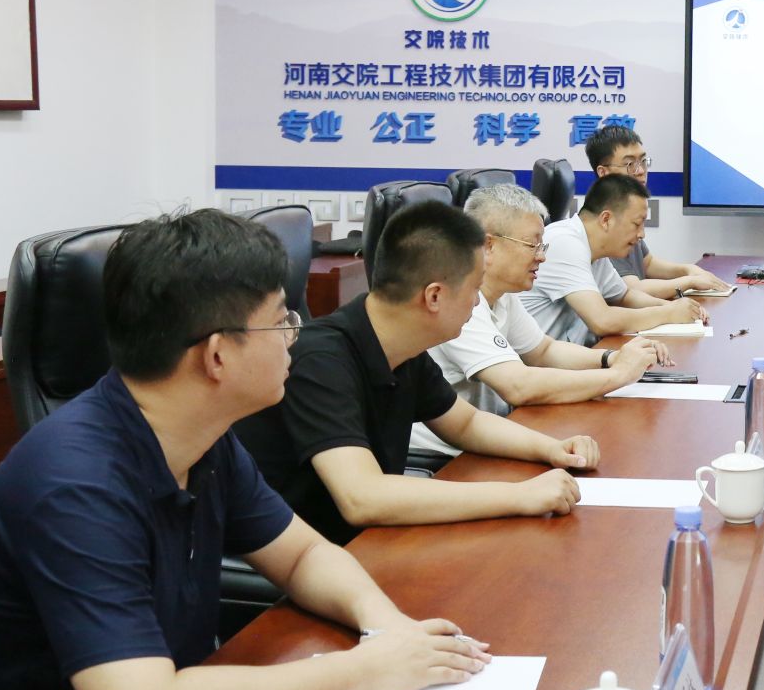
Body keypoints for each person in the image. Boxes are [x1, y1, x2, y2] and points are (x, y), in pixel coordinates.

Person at [0, 210, 488, 690]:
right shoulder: (75, 484)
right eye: (281, 319)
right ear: (218, 355)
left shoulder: (200, 437)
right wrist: (362, 671)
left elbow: (304, 555)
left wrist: (384, 627)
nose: (295, 334)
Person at [235, 200, 600, 546]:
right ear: (434, 296)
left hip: (369, 542)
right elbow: (362, 498)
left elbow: (466, 424)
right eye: (474, 288)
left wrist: (551, 449)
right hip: (312, 555)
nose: (476, 301)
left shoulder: (402, 346)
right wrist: (520, 496)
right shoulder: (321, 361)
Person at [423, 184, 671, 429]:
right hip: (446, 451)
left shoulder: (502, 295)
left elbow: (544, 351)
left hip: (492, 431)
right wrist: (618, 375)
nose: (541, 256)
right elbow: (518, 386)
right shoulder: (459, 301)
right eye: (533, 245)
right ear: (488, 245)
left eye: (542, 246)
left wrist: (613, 358)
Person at [519, 171, 710, 345]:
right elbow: (602, 321)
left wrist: (677, 307)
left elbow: (624, 296)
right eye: (637, 224)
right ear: (606, 220)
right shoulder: (565, 242)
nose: (642, 234)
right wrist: (667, 313)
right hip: (536, 365)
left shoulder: (593, 248)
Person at [586, 124, 731, 297]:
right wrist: (689, 282)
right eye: (630, 164)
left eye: (643, 161)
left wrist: (688, 270)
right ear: (603, 172)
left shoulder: (628, 210)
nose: (641, 171)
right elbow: (630, 290)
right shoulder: (606, 220)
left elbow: (648, 264)